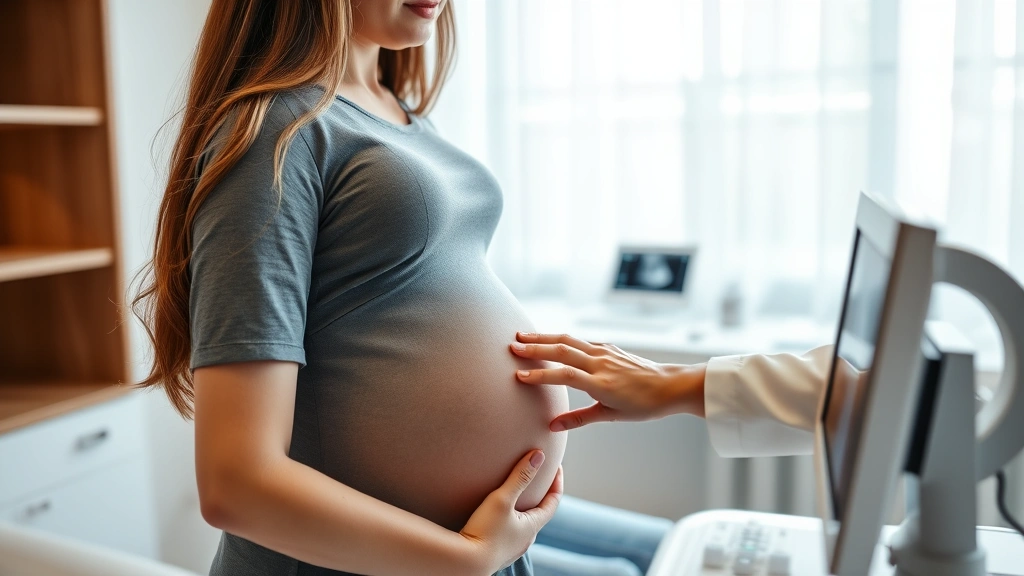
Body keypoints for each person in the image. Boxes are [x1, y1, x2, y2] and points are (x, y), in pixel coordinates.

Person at [131, 1, 676, 575]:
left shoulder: (401, 114)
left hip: (458, 547)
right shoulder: (276, 130)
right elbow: (235, 483)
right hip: (370, 562)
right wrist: (463, 560)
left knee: (658, 552)